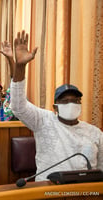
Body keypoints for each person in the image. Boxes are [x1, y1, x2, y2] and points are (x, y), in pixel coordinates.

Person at [10, 30, 103, 181]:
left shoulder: (94, 133)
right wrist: (20, 67)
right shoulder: (43, 121)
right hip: (47, 191)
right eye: (65, 101)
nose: (71, 104)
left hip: (85, 193)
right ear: (55, 107)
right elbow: (18, 106)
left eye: (75, 100)